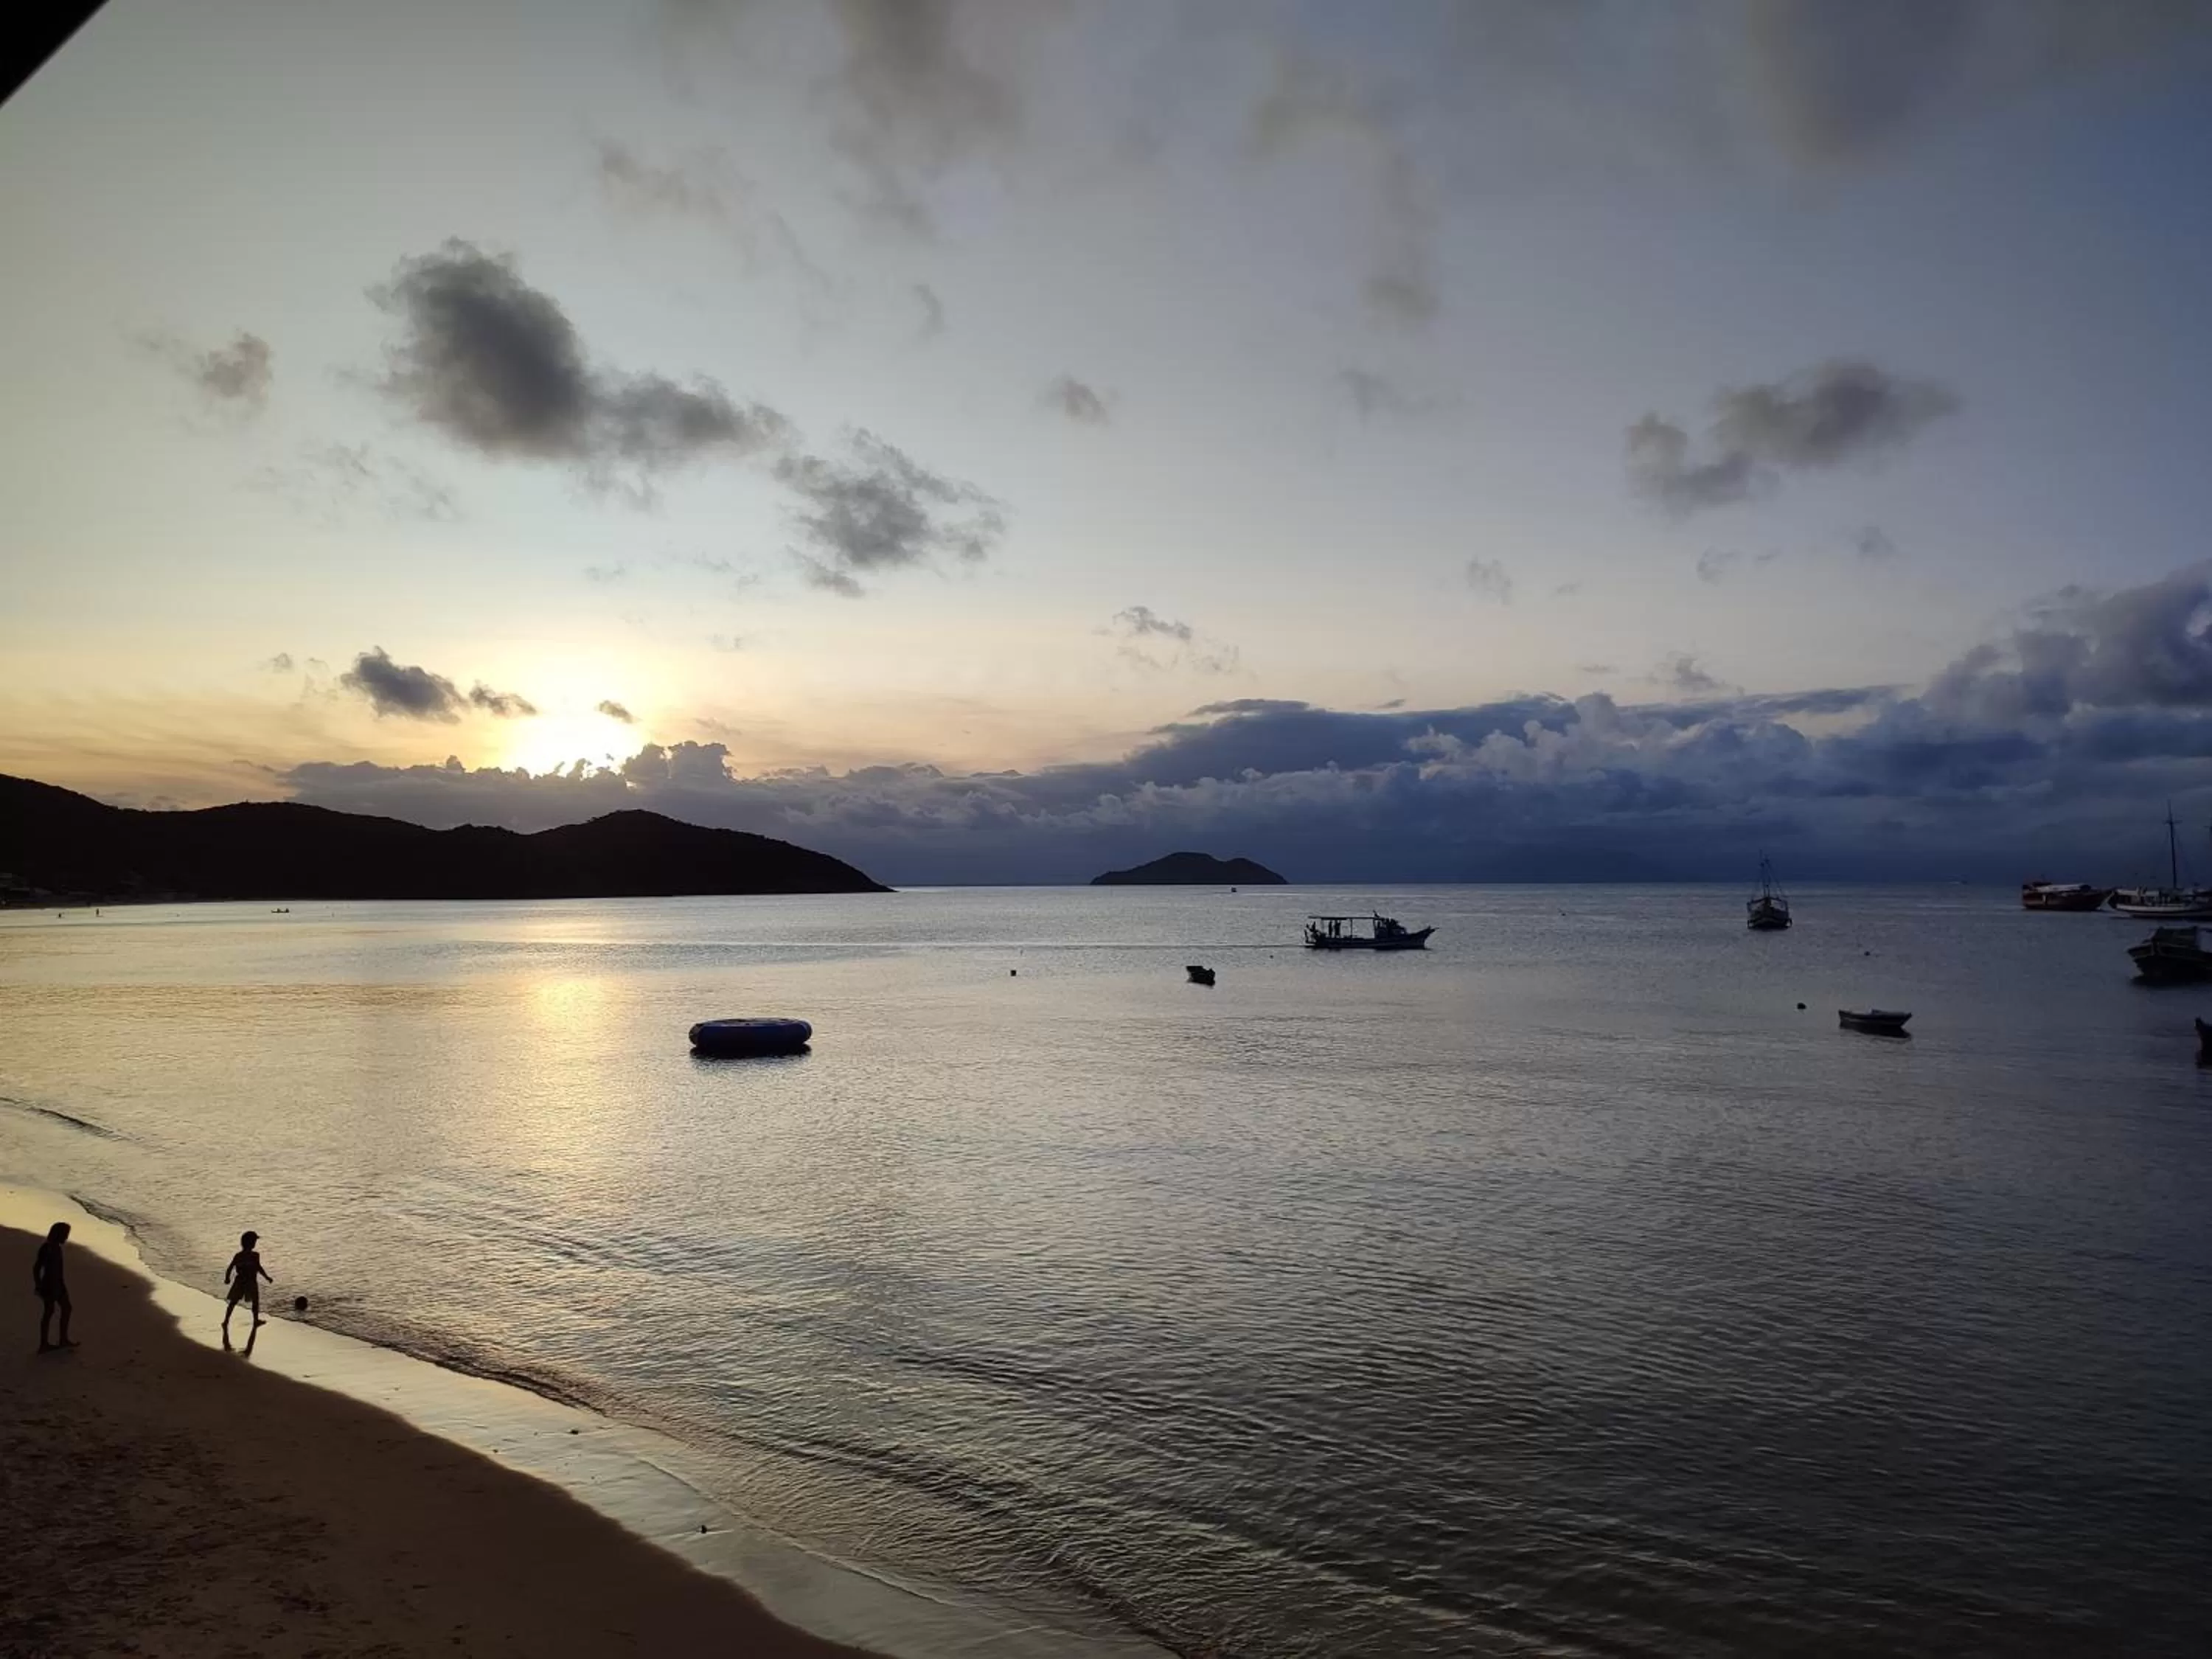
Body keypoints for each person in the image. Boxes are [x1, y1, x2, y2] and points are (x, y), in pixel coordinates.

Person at [222, 1231, 272, 1341]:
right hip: (250, 1281)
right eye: (254, 1241)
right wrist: (267, 1277)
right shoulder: (255, 1255)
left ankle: (226, 1320)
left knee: (234, 1301)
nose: (255, 1243)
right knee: (255, 1301)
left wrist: (227, 1278)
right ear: (251, 1243)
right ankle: (255, 1320)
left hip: (239, 1281)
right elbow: (259, 1268)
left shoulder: (239, 1256)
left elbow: (230, 1267)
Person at [33, 1221, 73, 1351]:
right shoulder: (47, 1248)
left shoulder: (57, 1247)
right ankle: (44, 1344)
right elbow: (37, 1268)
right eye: (65, 1234)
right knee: (49, 1312)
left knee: (66, 1309)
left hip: (59, 1284)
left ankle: (63, 1339)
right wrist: (38, 1285)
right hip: (49, 1285)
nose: (67, 1237)